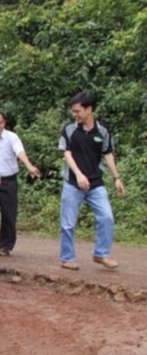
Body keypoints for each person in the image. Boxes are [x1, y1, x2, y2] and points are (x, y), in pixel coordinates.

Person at [58, 91, 125, 271]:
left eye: (78, 111)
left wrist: (116, 177)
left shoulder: (102, 129)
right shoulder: (69, 129)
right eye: (73, 111)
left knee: (107, 217)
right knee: (68, 223)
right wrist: (79, 175)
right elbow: (67, 154)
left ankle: (101, 254)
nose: (75, 115)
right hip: (73, 183)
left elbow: (107, 153)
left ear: (89, 109)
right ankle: (67, 258)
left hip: (96, 183)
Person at [0, 110, 40, 257]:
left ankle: (5, 246)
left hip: (9, 181)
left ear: (4, 123)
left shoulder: (12, 138)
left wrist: (29, 166)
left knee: (9, 216)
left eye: (0, 123)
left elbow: (20, 152)